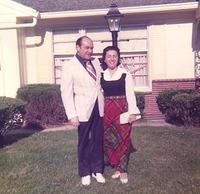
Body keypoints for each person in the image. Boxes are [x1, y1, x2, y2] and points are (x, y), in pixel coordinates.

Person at [60, 36, 105, 186]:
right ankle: (85, 172)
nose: (90, 51)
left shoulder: (96, 62)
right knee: (84, 142)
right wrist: (72, 114)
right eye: (86, 47)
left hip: (98, 107)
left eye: (91, 48)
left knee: (98, 140)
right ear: (77, 48)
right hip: (82, 109)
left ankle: (97, 170)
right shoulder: (69, 66)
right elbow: (66, 92)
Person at [100, 46, 140, 184]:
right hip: (106, 112)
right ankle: (115, 166)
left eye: (114, 56)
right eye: (109, 56)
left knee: (123, 140)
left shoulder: (125, 75)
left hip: (121, 110)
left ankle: (122, 170)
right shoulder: (101, 75)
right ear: (104, 59)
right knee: (110, 140)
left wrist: (133, 112)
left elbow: (130, 94)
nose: (112, 58)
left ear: (118, 58)